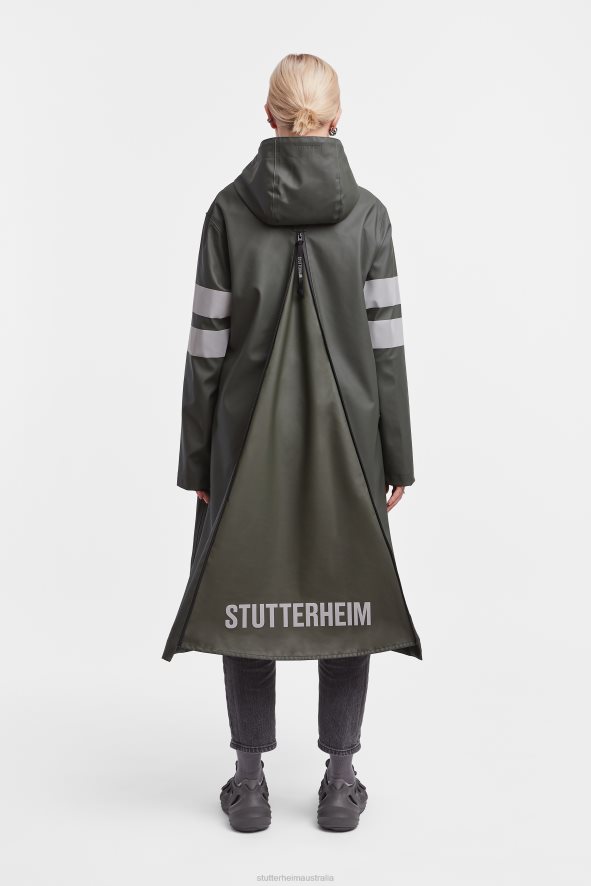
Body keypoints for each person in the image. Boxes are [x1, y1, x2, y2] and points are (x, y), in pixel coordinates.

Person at [162, 53, 422, 832]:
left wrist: (197, 458)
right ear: (335, 119)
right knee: (351, 587)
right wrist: (397, 455)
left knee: (243, 590)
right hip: (353, 443)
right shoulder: (369, 216)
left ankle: (248, 784)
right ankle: (340, 781)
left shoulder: (226, 212)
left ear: (269, 119)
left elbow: (206, 347)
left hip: (242, 445)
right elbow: (385, 348)